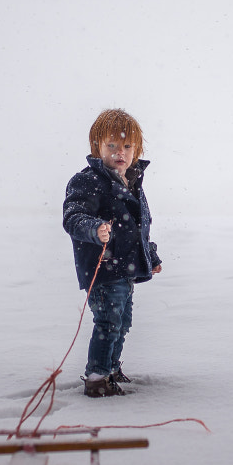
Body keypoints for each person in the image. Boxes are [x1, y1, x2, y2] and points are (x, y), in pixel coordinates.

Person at [63, 108, 162, 398]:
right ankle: (98, 377)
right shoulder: (88, 181)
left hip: (125, 268)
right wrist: (94, 229)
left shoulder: (131, 182)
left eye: (127, 146)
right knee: (108, 321)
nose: (121, 152)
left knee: (122, 321)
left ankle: (111, 368)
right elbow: (73, 217)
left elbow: (137, 228)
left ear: (136, 150)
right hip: (104, 269)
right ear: (98, 147)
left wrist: (151, 255)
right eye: (112, 145)